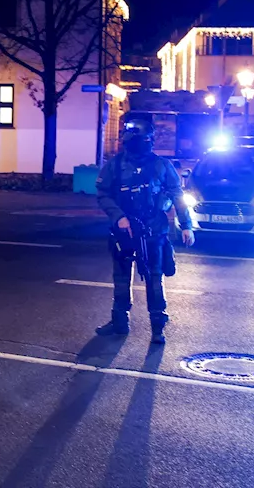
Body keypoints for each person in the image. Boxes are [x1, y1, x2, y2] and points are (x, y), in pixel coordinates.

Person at [95, 117, 195, 343]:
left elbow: (177, 195)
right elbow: (103, 193)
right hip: (124, 231)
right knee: (121, 278)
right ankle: (119, 322)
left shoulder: (162, 165)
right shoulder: (115, 165)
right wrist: (118, 216)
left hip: (153, 232)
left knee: (154, 278)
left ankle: (157, 327)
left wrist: (186, 226)